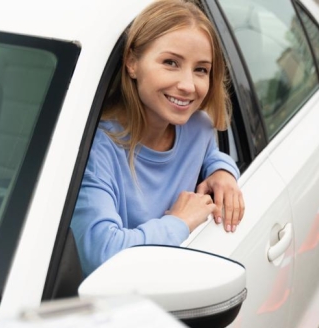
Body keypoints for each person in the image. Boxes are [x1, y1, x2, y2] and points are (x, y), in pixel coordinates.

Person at [71, 0, 244, 276]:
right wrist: (179, 222)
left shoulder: (198, 126)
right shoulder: (97, 151)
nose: (188, 85)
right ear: (132, 63)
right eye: (171, 63)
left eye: (201, 69)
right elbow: (102, 255)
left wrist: (223, 170)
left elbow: (209, 152)